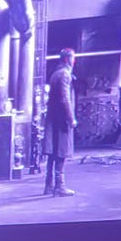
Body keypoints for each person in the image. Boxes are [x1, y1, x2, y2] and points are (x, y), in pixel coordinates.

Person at [44, 48, 77, 196]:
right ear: (67, 59)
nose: (74, 61)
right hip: (61, 119)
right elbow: (65, 98)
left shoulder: (55, 73)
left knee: (53, 151)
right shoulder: (65, 74)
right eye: (72, 58)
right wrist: (71, 118)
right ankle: (60, 186)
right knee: (61, 151)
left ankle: (48, 185)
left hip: (53, 117)